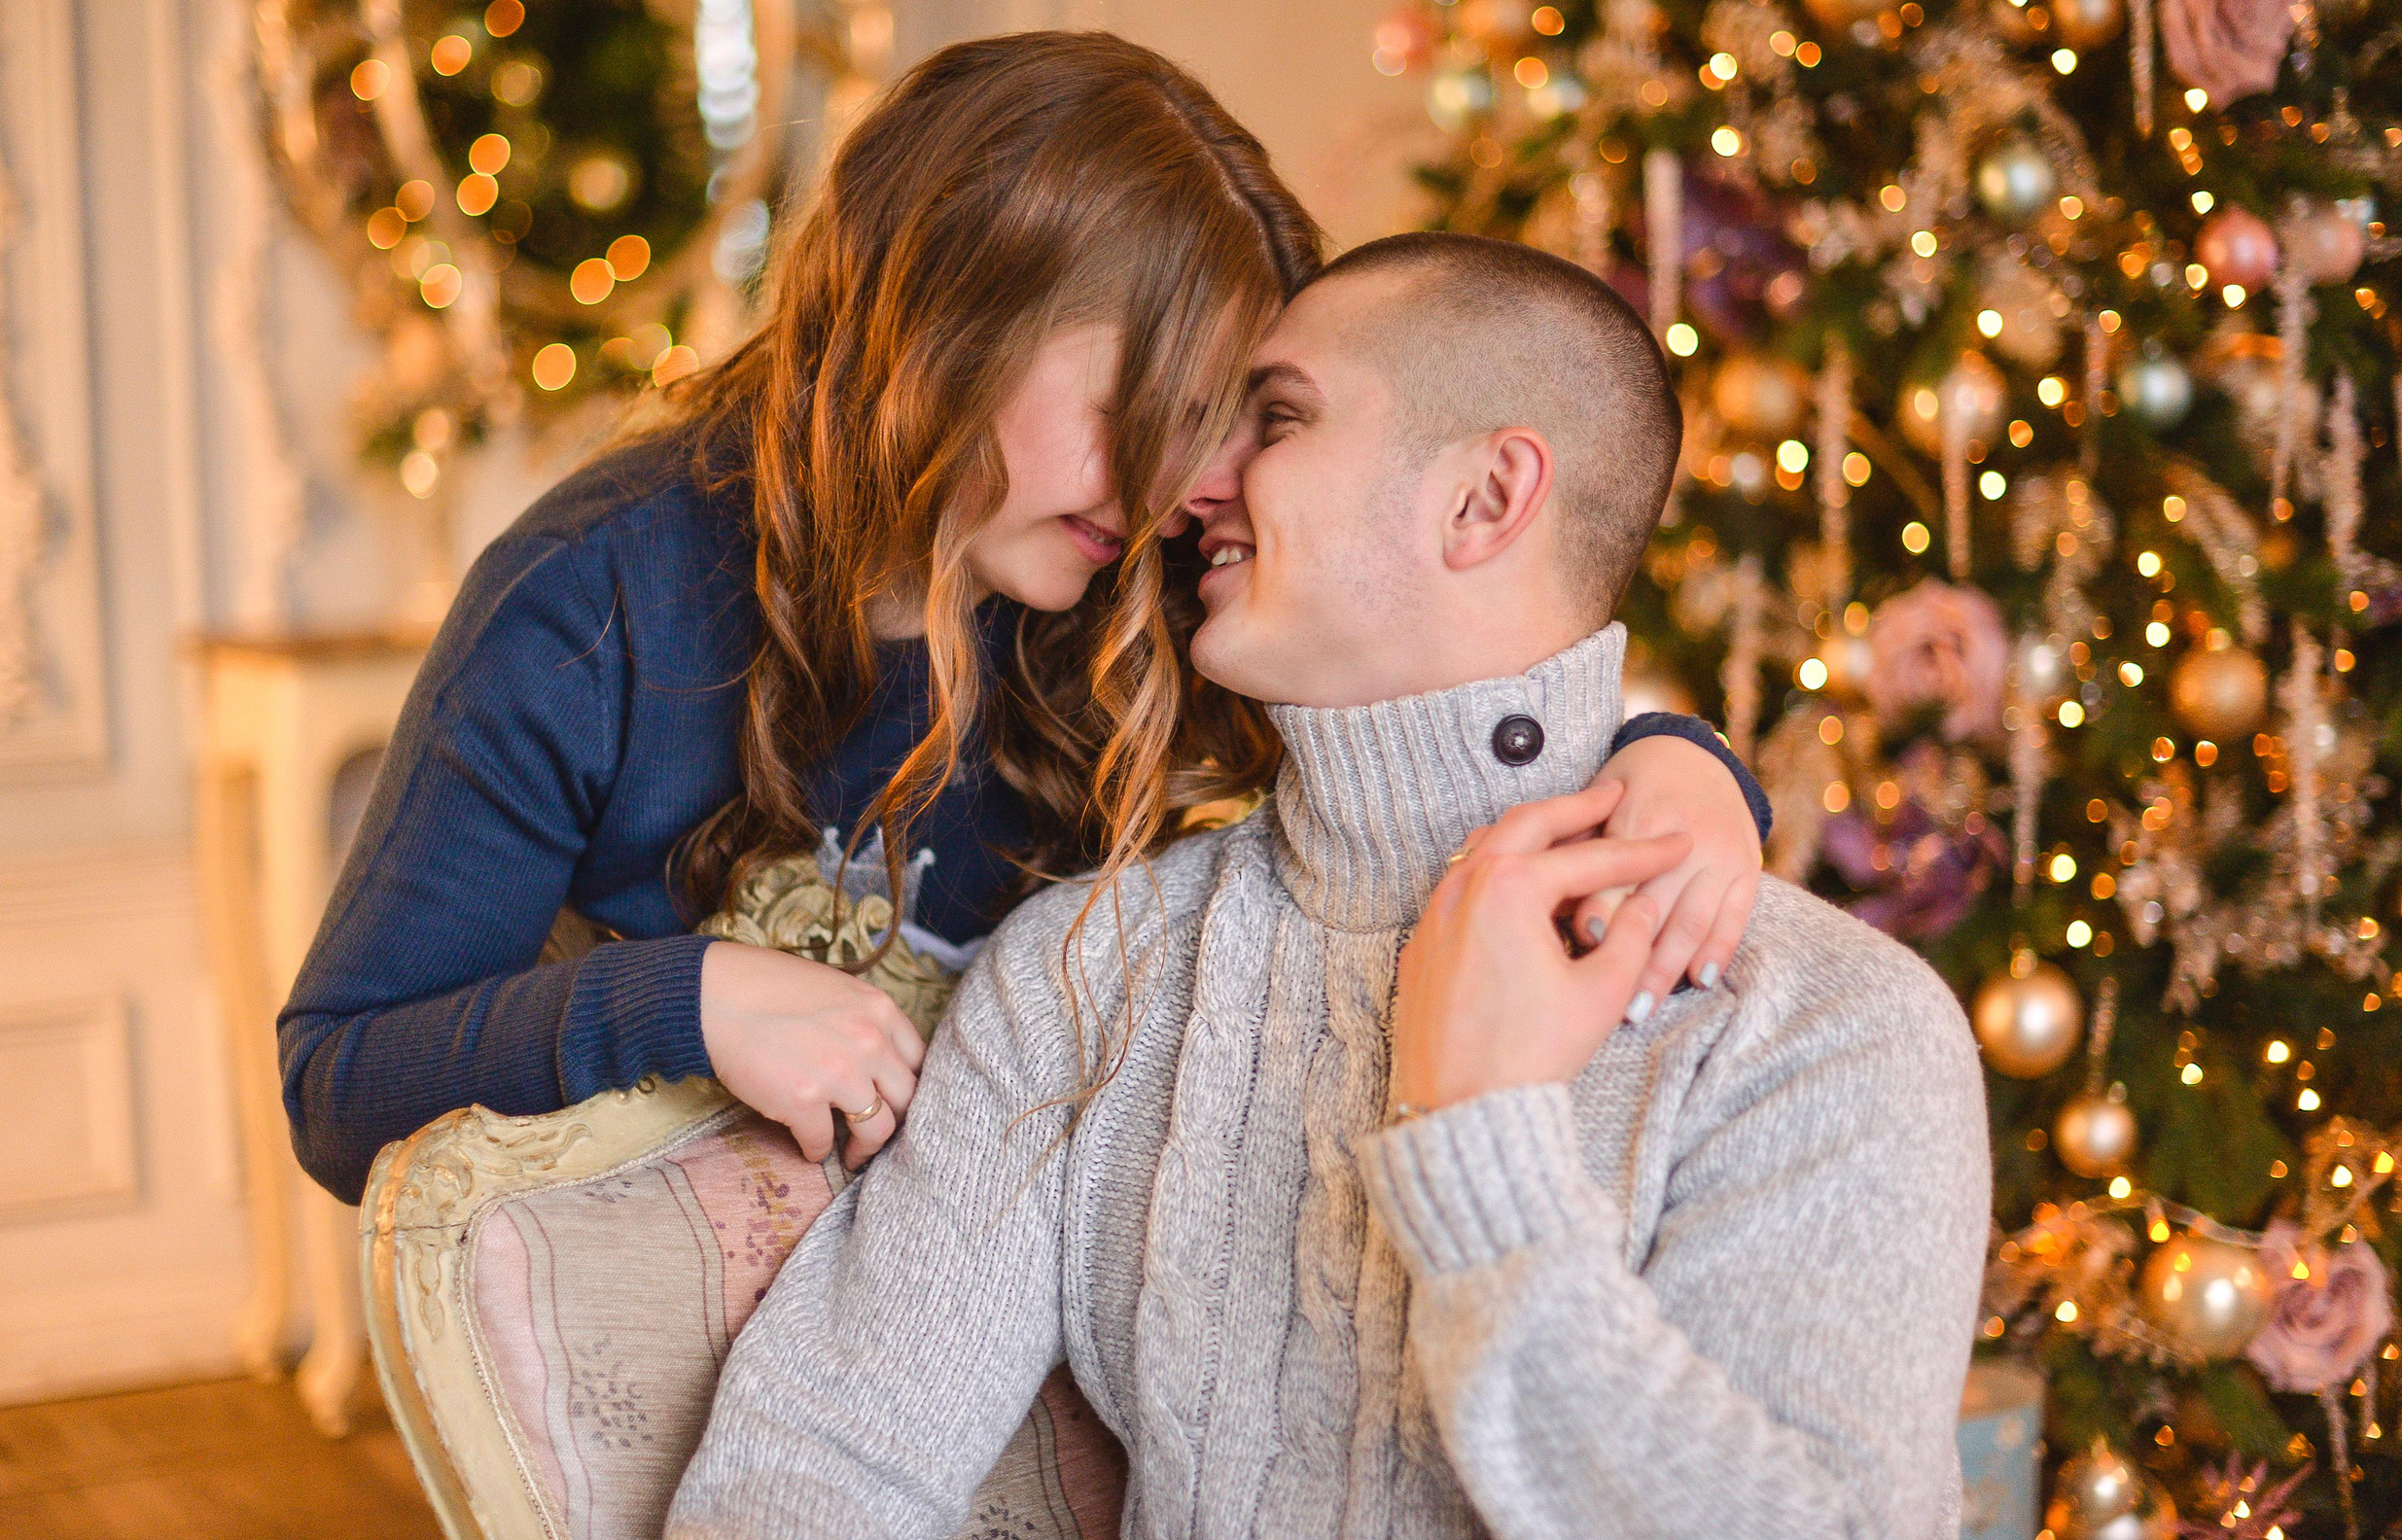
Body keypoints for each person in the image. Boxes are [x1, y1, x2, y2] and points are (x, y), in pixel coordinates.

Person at [278, 32, 1771, 1206]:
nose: (1188, 480)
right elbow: (338, 1083)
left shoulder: (1136, 579)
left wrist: (1677, 754)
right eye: (1141, 407)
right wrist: (687, 997)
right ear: (946, 324)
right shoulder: (597, 598)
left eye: (1218, 422)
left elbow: (1428, 726)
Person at [665, 234, 1994, 1540]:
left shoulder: (1826, 1022)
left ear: (1484, 499)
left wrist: (1484, 1145)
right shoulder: (1091, 967)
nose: (1192, 483)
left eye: (1277, 419)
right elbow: (830, 1451)